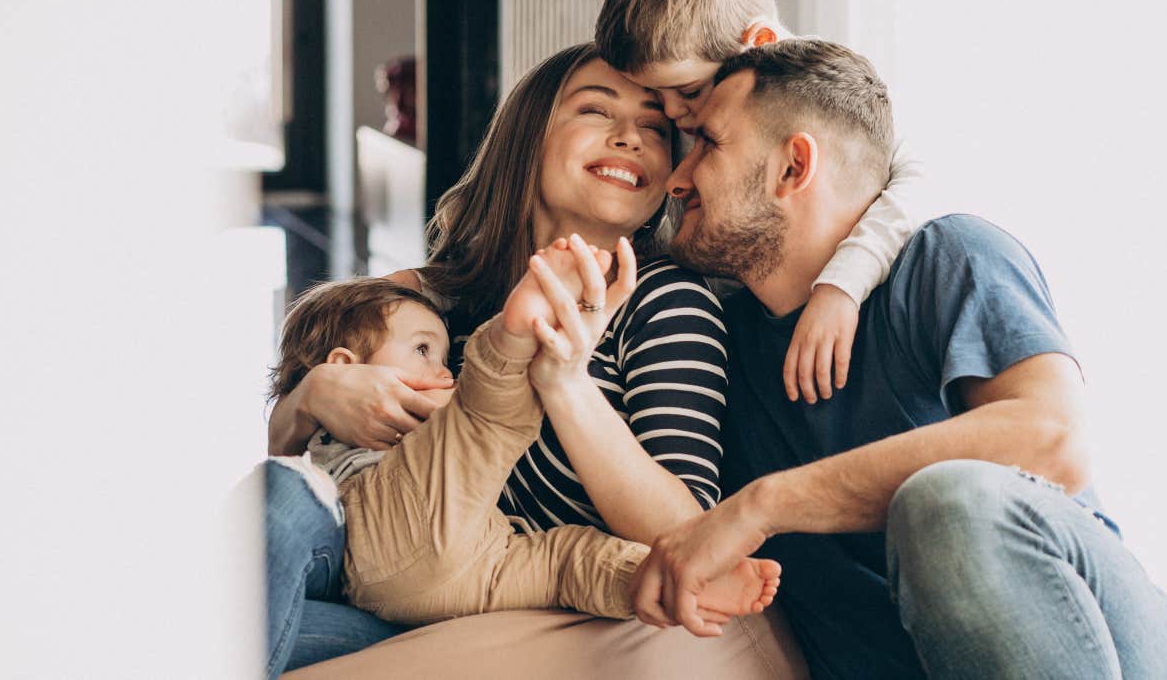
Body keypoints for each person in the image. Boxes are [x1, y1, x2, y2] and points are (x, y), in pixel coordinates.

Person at [626, 38, 1167, 679]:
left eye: (709, 144)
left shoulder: (945, 260)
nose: (676, 176)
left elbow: (1050, 439)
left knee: (946, 502)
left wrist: (761, 506)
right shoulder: (716, 346)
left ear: (793, 168)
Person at [262, 43, 810, 679]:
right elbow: (299, 468)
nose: (630, 137)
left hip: (519, 612)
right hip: (381, 589)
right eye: (596, 111)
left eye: (655, 128)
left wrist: (566, 384)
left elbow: (685, 528)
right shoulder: (431, 297)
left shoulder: (665, 301)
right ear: (530, 135)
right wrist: (312, 396)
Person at [268, 271, 780, 627]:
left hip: (478, 559)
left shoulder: (667, 298)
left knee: (568, 564)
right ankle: (509, 344)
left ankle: (672, 583)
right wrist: (314, 392)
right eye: (425, 351)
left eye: (445, 354)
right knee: (487, 413)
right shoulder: (444, 297)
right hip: (386, 539)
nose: (445, 370)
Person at [594, 0, 925, 406]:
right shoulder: (684, 107)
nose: (672, 114)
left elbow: (916, 182)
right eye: (654, 95)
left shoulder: (830, 100)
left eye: (687, 90)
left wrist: (840, 286)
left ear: (761, 43)